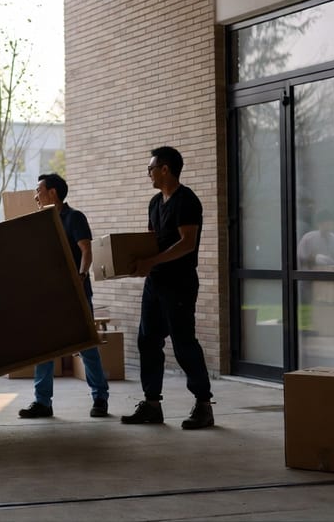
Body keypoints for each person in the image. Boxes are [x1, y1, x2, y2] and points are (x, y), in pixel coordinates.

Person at [123, 146, 213, 430]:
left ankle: (203, 405)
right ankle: (152, 405)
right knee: (147, 340)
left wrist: (153, 261)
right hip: (155, 282)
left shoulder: (187, 201)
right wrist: (135, 262)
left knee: (184, 343)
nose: (147, 173)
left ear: (165, 169)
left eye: (151, 168)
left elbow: (187, 243)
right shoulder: (154, 202)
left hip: (179, 282)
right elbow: (151, 240)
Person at [18, 173, 110, 420]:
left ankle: (100, 397)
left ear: (53, 192)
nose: (36, 195)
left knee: (86, 345)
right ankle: (42, 402)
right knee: (46, 347)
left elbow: (86, 250)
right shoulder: (42, 220)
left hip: (76, 293)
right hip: (50, 294)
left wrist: (80, 279)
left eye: (39, 189)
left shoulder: (74, 217)